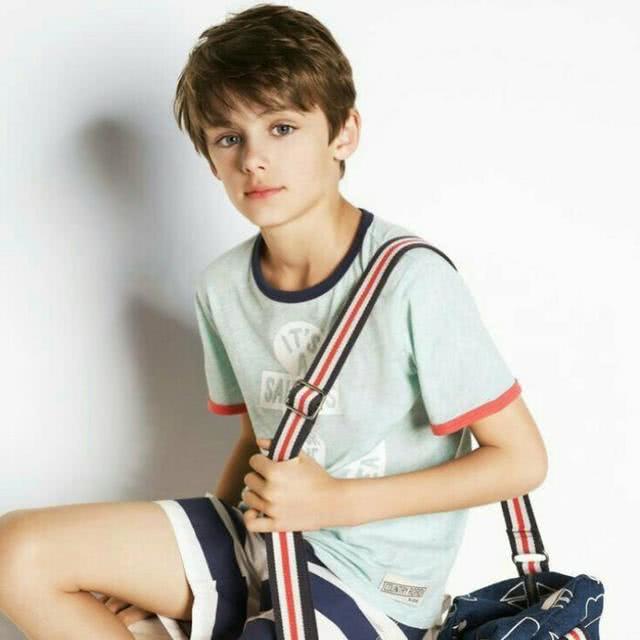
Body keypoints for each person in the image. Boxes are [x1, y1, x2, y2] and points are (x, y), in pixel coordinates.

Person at [0, 3, 548, 639]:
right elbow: (260, 440)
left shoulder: (413, 280)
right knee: (19, 554)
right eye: (229, 138)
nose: (254, 159)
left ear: (343, 133)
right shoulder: (223, 286)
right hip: (263, 537)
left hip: (377, 584)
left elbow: (521, 460)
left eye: (282, 128)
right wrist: (190, 577)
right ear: (211, 160)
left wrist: (335, 502)